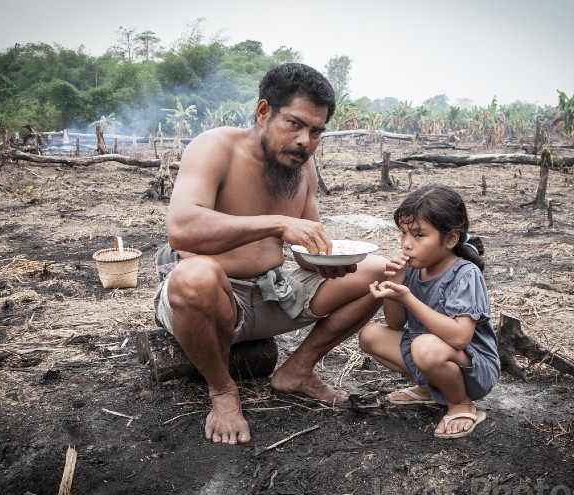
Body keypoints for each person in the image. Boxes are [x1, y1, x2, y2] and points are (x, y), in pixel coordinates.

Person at [153, 63, 386, 445]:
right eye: (295, 124)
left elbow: (304, 253)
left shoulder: (302, 167)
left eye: (316, 131)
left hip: (275, 292)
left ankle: (297, 371)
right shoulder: (214, 147)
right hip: (213, 299)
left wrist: (327, 262)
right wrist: (276, 223)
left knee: (383, 271)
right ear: (264, 112)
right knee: (195, 276)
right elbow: (182, 229)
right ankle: (223, 391)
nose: (305, 141)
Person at [358, 185, 500, 439]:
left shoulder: (465, 274)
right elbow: (394, 324)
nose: (406, 244)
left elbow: (460, 338)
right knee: (370, 334)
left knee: (425, 347)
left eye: (419, 235)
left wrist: (409, 299)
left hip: (473, 368)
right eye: (403, 233)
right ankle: (432, 388)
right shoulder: (413, 270)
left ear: (451, 239)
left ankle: (461, 403)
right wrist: (395, 287)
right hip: (428, 354)